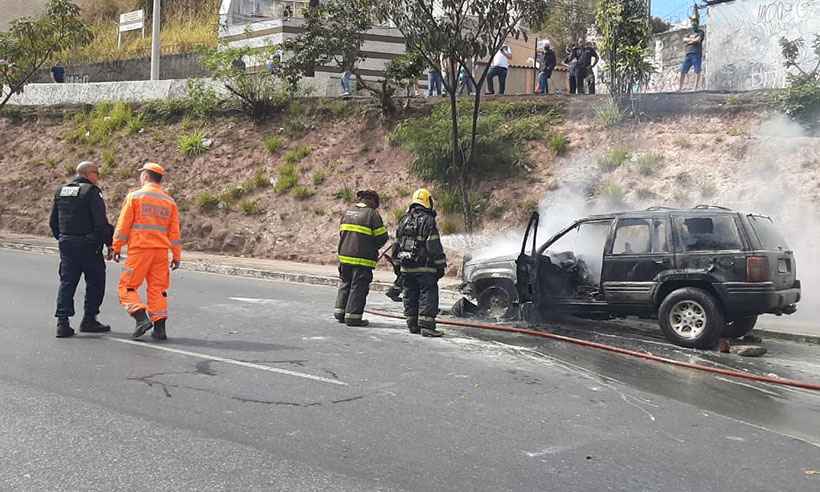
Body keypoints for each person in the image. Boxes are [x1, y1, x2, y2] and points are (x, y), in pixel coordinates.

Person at [112, 163, 182, 340]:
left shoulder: (135, 197)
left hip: (140, 250)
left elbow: (123, 225)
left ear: (145, 176)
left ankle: (141, 318)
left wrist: (116, 246)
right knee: (158, 289)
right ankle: (159, 329)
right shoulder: (169, 201)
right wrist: (177, 255)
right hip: (160, 252)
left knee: (127, 286)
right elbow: (174, 232)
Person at [50, 161, 114, 338]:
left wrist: (63, 238)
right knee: (95, 282)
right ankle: (89, 319)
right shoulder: (91, 192)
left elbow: (53, 222)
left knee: (67, 283)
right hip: (88, 246)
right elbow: (100, 223)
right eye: (97, 173)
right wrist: (108, 242)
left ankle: (62, 323)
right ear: (89, 173)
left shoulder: (61, 191)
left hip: (67, 245)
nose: (98, 178)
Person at [392, 189, 447, 337]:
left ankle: (412, 324)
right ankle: (427, 326)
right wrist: (440, 265)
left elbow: (396, 245)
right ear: (428, 201)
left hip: (406, 267)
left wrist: (397, 266)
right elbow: (433, 245)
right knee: (427, 294)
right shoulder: (428, 221)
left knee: (410, 294)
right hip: (425, 268)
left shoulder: (404, 220)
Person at [334, 190, 388, 327]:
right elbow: (381, 238)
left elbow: (342, 233)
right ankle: (353, 317)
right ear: (373, 201)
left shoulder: (347, 212)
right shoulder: (372, 214)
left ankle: (340, 313)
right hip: (362, 259)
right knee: (358, 287)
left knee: (345, 283)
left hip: (344, 257)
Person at [679, 18, 705, 91]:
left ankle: (695, 88)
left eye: (695, 23)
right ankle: (680, 88)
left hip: (696, 54)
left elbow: (698, 40)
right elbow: (684, 40)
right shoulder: (689, 33)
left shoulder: (700, 32)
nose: (694, 24)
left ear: (697, 24)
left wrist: (690, 41)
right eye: (692, 23)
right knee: (683, 71)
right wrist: (692, 40)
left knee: (697, 70)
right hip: (688, 54)